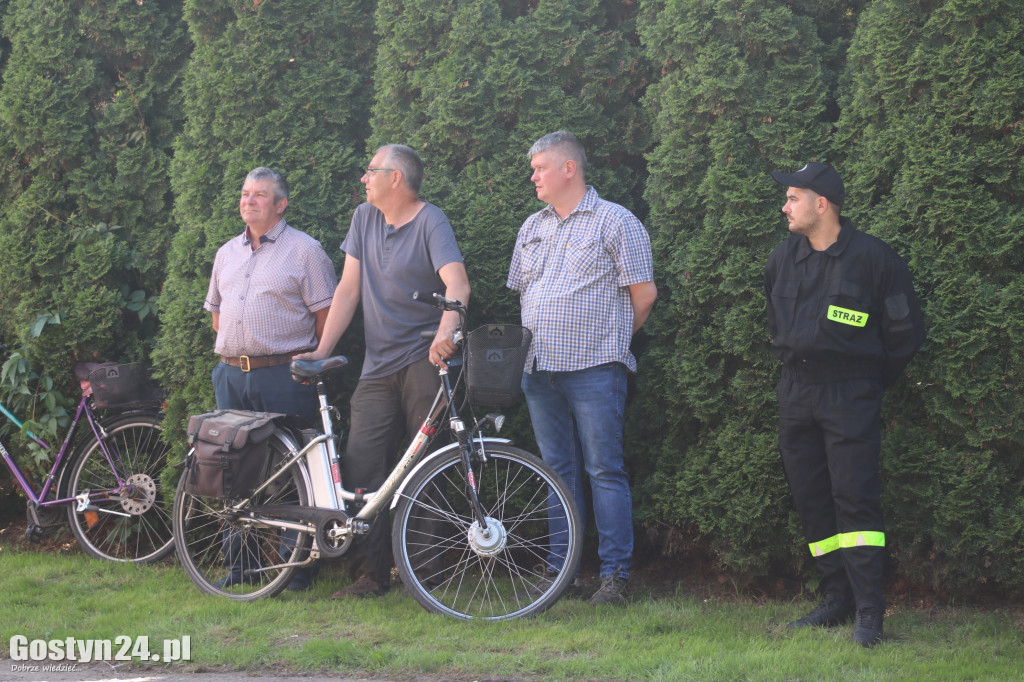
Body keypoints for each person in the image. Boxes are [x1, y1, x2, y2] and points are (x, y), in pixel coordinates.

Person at [298, 144, 471, 598]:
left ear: (396, 178)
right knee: (362, 466)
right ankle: (369, 576)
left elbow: (457, 283)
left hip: (424, 363)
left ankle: (425, 575)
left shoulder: (431, 221)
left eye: (371, 170)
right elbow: (347, 290)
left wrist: (446, 332)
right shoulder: (364, 218)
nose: (364, 178)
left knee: (426, 468)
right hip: (376, 367)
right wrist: (321, 350)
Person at [764, 162, 925, 647]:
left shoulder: (874, 259)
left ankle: (870, 611)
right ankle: (837, 600)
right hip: (797, 391)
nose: (785, 207)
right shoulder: (781, 259)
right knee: (812, 499)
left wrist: (867, 383)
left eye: (793, 198)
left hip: (850, 392)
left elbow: (905, 334)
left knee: (856, 500)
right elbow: (774, 321)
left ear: (822, 204)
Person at [507, 131, 657, 606]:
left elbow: (644, 295)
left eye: (540, 168)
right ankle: (562, 574)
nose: (533, 177)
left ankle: (615, 578)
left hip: (595, 368)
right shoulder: (532, 226)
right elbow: (527, 294)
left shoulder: (616, 221)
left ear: (568, 169)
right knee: (556, 471)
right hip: (537, 369)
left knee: (604, 469)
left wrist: (609, 342)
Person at [204, 166, 337, 591]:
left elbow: (327, 316)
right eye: (245, 193)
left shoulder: (306, 251)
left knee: (293, 473)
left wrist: (304, 357)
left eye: (259, 194)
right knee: (232, 471)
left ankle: (294, 569)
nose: (249, 200)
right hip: (231, 374)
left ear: (281, 205)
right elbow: (217, 315)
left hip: (284, 375)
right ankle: (240, 566)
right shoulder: (227, 252)